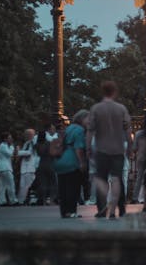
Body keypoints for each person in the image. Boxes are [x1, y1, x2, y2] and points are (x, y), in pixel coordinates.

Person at [87, 81, 131, 219]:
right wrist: (129, 145)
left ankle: (102, 207)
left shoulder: (96, 108)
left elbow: (90, 130)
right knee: (117, 178)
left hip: (102, 149)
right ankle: (119, 208)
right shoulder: (121, 108)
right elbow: (128, 129)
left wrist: (88, 147)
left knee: (101, 178)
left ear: (103, 91)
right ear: (114, 92)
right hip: (118, 149)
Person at [53, 110, 88, 218]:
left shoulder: (68, 129)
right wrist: (82, 162)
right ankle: (71, 211)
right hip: (71, 161)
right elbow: (78, 148)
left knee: (63, 188)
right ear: (82, 119)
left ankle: (64, 211)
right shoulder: (80, 130)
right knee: (73, 187)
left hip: (61, 160)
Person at [0, 133, 18, 206]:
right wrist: (15, 149)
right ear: (5, 139)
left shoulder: (6, 146)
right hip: (5, 168)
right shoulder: (3, 145)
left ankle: (2, 201)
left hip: (3, 168)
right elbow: (10, 154)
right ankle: (13, 200)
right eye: (9, 138)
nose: (11, 139)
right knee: (10, 184)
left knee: (3, 185)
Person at [17, 128, 37, 204]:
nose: (26, 136)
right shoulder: (26, 143)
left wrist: (18, 152)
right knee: (22, 185)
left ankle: (29, 200)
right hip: (24, 168)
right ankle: (21, 200)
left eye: (28, 134)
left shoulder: (33, 143)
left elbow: (29, 153)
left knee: (28, 185)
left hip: (30, 167)